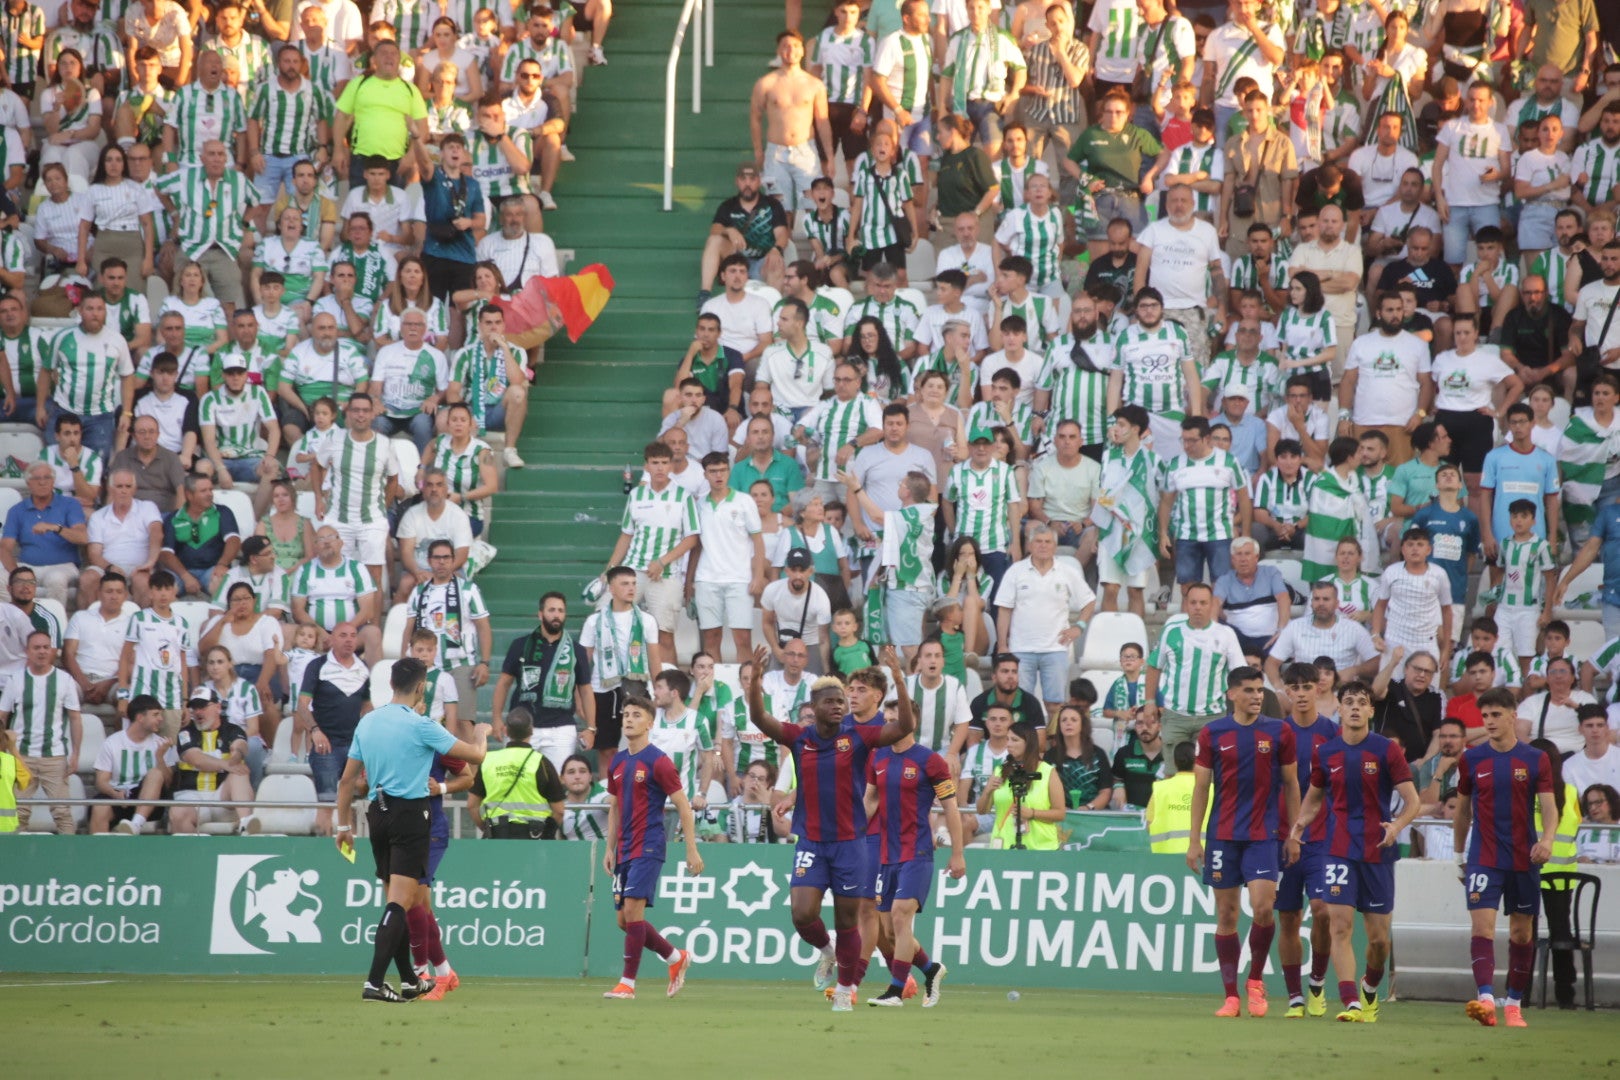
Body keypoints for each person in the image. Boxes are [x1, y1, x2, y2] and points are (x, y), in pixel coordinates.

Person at [745, 644, 913, 1010]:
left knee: (847, 920)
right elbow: (759, 718)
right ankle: (827, 950)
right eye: (832, 701)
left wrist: (899, 679)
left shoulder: (859, 738)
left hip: (850, 843)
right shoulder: (798, 737)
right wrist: (755, 681)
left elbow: (905, 726)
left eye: (842, 700)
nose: (840, 705)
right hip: (811, 842)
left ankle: (845, 990)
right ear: (815, 706)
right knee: (802, 914)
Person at [335, 656, 487, 1002]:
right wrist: (481, 732)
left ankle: (408, 979)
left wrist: (343, 826)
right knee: (401, 904)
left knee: (396, 900)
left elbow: (346, 781)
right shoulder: (420, 724)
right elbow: (475, 757)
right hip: (410, 814)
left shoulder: (368, 723)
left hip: (377, 813)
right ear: (422, 687)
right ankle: (374, 981)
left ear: (390, 684)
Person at [1290, 679, 1421, 1021]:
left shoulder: (1386, 750)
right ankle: (1349, 1001)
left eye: (1361, 702)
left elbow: (1413, 801)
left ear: (1370, 710)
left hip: (1378, 850)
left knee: (1379, 941)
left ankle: (1370, 989)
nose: (1354, 708)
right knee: (1339, 925)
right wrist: (1300, 824)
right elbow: (1314, 797)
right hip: (1339, 849)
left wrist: (1396, 825)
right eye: (1348, 702)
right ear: (1340, 707)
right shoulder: (1326, 752)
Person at [1187, 665, 1298, 1018]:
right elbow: (1201, 788)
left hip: (1263, 835)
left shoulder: (1279, 732)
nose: (1256, 696)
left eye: (1259, 690)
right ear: (1231, 694)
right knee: (1227, 913)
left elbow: (1292, 785)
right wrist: (1194, 839)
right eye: (1248, 690)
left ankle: (1254, 980)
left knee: (1264, 907)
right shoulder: (1212, 733)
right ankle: (1231, 996)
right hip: (1222, 835)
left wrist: (1294, 833)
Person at [1454, 688, 1559, 1028]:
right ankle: (1486, 1000)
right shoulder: (1471, 759)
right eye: (1485, 716)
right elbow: (1463, 811)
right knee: (1482, 926)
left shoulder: (1534, 759)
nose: (1489, 722)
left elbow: (1548, 806)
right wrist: (1459, 854)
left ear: (1513, 715)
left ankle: (1513, 1004)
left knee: (1521, 933)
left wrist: (1547, 839)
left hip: (1523, 857)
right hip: (1483, 856)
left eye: (1496, 715)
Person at [599, 694, 702, 1000]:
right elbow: (615, 807)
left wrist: (691, 849)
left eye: (635, 715)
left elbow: (683, 806)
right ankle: (675, 957)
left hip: (650, 845)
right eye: (625, 714)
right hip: (625, 849)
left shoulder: (659, 761)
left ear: (649, 723)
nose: (628, 719)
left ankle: (627, 984)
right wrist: (609, 848)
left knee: (632, 911)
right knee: (624, 920)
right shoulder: (617, 761)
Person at [1269, 662, 1339, 1017]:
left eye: (1306, 687)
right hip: (1281, 838)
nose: (1300, 694)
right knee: (1289, 919)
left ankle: (1318, 982)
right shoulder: (1278, 733)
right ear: (1286, 691)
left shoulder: (1333, 733)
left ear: (1319, 688)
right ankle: (1295, 995)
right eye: (1292, 687)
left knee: (1322, 911)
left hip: (1322, 837)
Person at [995, 524, 1095, 719]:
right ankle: (1024, 745)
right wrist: (1002, 645)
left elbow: (1089, 601)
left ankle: (1053, 745)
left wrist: (1079, 627)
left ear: (1055, 546)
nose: (1043, 546)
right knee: (1020, 703)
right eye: (1038, 541)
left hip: (1055, 648)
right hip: (1021, 648)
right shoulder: (1016, 571)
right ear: (1030, 545)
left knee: (1055, 704)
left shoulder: (1066, 571)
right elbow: (1004, 610)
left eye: (1048, 542)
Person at [493, 592, 595, 771]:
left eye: (561, 611)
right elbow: (503, 683)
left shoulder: (576, 651)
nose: (557, 615)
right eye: (552, 610)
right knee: (517, 782)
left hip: (561, 728)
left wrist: (591, 728)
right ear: (540, 614)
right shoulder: (520, 645)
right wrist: (496, 719)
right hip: (522, 726)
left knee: (556, 785)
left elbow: (586, 690)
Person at [1145, 584, 1248, 757]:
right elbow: (1154, 666)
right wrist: (1149, 702)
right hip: (1175, 714)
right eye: (1193, 602)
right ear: (1186, 604)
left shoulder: (1225, 634)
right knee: (1172, 774)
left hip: (1212, 716)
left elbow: (1240, 673)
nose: (1198, 607)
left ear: (1212, 604)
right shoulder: (1171, 631)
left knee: (1209, 776)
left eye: (1203, 602)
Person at [0, 630, 82, 835]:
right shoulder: (15, 680)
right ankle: (15, 859)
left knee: (62, 812)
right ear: (27, 651)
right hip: (21, 757)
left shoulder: (64, 680)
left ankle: (69, 858)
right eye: (37, 647)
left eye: (46, 647)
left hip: (53, 756)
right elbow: (2, 717)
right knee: (18, 812)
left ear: (53, 650)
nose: (42, 652)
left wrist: (76, 754)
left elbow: (75, 718)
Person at [1337, 291, 1433, 466]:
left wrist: (1419, 414)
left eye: (1399, 310)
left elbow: (1426, 383)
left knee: (1400, 480)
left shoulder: (1418, 345)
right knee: (1363, 477)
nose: (1395, 315)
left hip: (1402, 425)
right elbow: (1348, 381)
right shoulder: (1361, 343)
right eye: (1389, 310)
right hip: (1364, 422)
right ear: (1379, 313)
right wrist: (1344, 416)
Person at [1157, 416, 1251, 594]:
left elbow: (1244, 498)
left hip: (1219, 534)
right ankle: (1189, 622)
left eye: (1192, 440)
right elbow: (1166, 502)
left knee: (1221, 587)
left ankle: (1216, 621)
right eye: (1184, 440)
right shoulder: (1176, 464)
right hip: (1186, 535)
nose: (1186, 445)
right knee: (1187, 588)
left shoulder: (1229, 462)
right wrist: (1163, 533)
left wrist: (1245, 533)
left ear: (1207, 438)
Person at [751, 30, 833, 214]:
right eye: (786, 46)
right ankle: (783, 243)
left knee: (814, 204)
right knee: (779, 207)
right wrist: (758, 150)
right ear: (779, 51)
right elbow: (755, 118)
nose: (791, 50)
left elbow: (822, 121)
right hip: (776, 152)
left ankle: (816, 242)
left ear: (803, 50)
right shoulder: (766, 83)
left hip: (805, 150)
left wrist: (829, 156)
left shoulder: (814, 84)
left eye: (796, 45)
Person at [1433, 82, 1511, 270]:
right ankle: (1455, 298)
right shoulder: (1452, 127)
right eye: (1472, 99)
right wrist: (1439, 198)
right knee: (1453, 261)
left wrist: (1496, 175)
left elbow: (1507, 170)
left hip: (1486, 204)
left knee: (1492, 259)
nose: (1476, 105)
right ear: (1466, 101)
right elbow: (1437, 165)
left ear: (1491, 102)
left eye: (1481, 100)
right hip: (1455, 203)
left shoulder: (1499, 130)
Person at [468, 709, 566, 838]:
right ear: (532, 731)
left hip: (497, 837)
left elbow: (472, 805)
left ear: (505, 731)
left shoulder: (488, 761)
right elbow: (559, 811)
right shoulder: (541, 763)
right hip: (534, 838)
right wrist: (546, 835)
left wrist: (487, 828)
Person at [1265, 581, 1380, 689]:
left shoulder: (1354, 629)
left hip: (1341, 693)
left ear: (1337, 604)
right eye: (1316, 599)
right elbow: (1271, 663)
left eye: (1326, 599)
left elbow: (1376, 662)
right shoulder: (1295, 627)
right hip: (1305, 693)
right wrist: (1280, 690)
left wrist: (1355, 670)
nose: (1321, 603)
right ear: (1311, 603)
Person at [1, 462, 87, 606]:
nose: (42, 482)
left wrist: (55, 528)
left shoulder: (69, 504)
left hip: (62, 566)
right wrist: (16, 573)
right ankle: (14, 621)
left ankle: (54, 626)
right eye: (36, 479)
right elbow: (5, 548)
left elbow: (82, 537)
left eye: (47, 478)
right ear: (28, 483)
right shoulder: (17, 510)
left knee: (56, 579)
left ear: (53, 481)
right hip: (27, 566)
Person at [90, 694, 169, 835]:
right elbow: (101, 781)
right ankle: (99, 852)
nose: (160, 719)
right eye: (155, 714)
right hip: (118, 795)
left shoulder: (161, 744)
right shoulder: (112, 742)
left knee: (156, 774)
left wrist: (160, 758)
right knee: (100, 806)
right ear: (140, 717)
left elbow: (169, 783)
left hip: (148, 801)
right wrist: (115, 794)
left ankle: (135, 825)